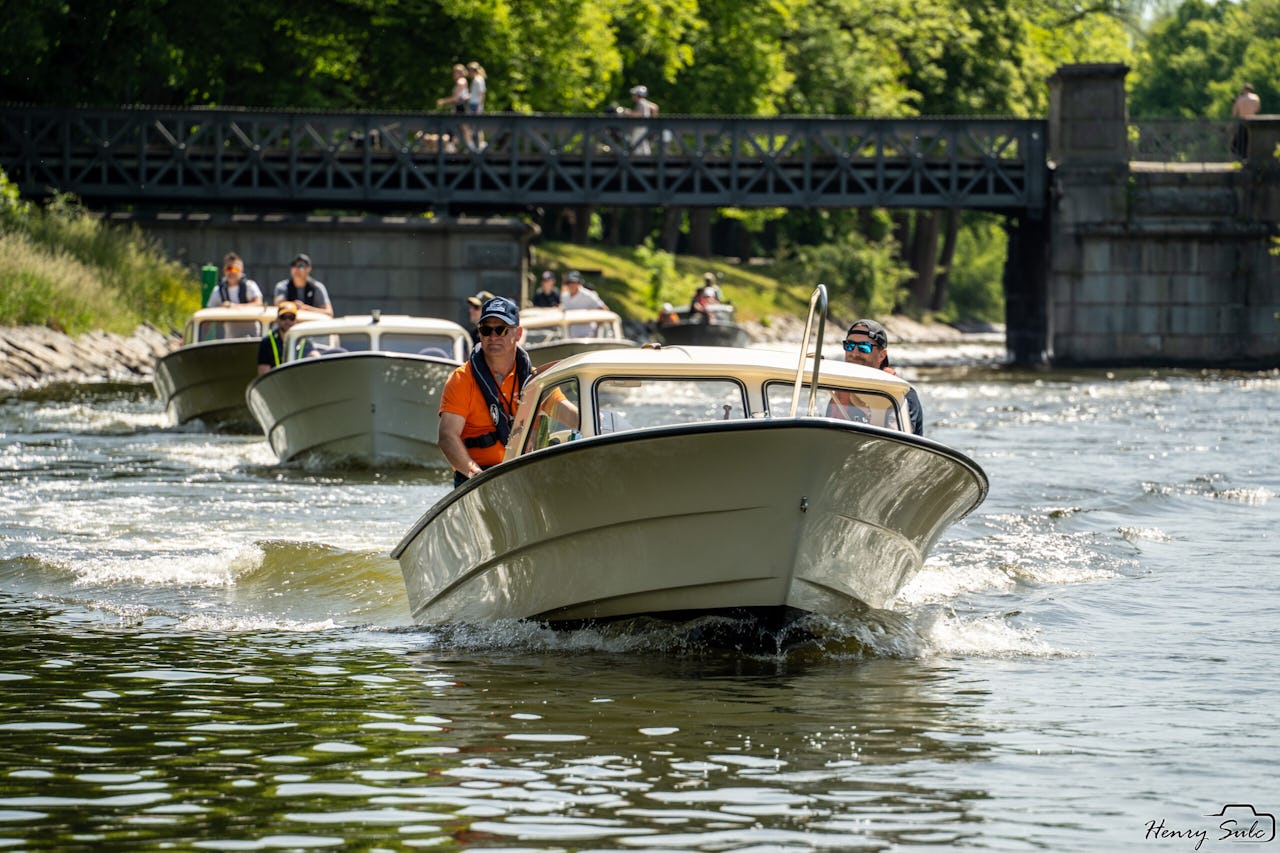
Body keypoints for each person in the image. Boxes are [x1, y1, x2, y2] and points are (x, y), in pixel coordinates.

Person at [438, 296, 534, 486]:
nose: (493, 336)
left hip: (523, 474)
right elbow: (447, 436)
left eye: (501, 329)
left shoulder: (534, 379)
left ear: (518, 333)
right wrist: (476, 475)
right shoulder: (461, 378)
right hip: (476, 478)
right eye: (486, 329)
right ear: (479, 333)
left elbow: (567, 412)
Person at [830, 319, 924, 435]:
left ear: (881, 355)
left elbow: (898, 443)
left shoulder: (903, 394)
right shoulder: (838, 394)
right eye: (849, 346)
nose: (854, 353)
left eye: (864, 347)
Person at [257, 301, 304, 375]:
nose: (287, 321)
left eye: (291, 317)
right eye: (283, 317)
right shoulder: (267, 342)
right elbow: (264, 373)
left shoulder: (304, 340)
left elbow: (314, 357)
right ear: (277, 319)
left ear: (296, 320)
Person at [559, 270, 608, 336]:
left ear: (578, 283)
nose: (571, 285)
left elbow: (604, 309)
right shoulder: (564, 296)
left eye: (574, 282)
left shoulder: (588, 295)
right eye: (569, 283)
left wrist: (597, 328)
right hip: (570, 336)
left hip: (588, 335)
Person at [624, 85, 660, 155]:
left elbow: (640, 114)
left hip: (640, 127)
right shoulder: (644, 102)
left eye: (634, 95)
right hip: (643, 127)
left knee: (636, 143)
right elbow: (655, 107)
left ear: (637, 95)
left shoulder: (641, 102)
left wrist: (629, 113)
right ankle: (646, 158)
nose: (632, 96)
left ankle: (638, 159)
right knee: (643, 144)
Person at [1231, 84, 1261, 159]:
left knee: (1240, 143)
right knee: (1251, 142)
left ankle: (1243, 158)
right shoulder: (1256, 98)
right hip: (1253, 122)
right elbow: (1257, 110)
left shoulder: (1240, 99)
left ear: (1244, 90)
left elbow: (1234, 113)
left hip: (1243, 121)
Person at [466, 61, 487, 148]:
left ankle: (481, 144)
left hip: (476, 105)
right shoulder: (476, 80)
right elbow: (475, 94)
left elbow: (482, 94)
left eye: (469, 71)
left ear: (472, 71)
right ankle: (476, 145)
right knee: (473, 126)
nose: (468, 73)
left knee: (477, 126)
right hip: (473, 104)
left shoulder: (479, 80)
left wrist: (479, 107)